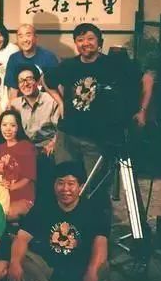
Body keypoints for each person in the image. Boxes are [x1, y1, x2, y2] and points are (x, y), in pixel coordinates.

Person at [44, 23, 140, 207]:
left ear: (99, 42)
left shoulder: (112, 65)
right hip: (67, 135)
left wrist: (140, 111)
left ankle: (97, 223)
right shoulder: (69, 65)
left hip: (97, 139)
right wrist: (60, 102)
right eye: (80, 40)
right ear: (75, 43)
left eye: (90, 38)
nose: (85, 43)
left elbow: (143, 80)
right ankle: (68, 221)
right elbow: (46, 80)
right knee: (65, 184)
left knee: (95, 188)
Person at [8, 162, 110, 281]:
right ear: (54, 185)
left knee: (103, 266)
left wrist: (92, 269)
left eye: (71, 184)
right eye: (60, 183)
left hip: (80, 269)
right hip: (49, 268)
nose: (65, 189)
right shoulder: (43, 206)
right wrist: (15, 263)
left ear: (80, 187)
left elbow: (101, 243)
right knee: (21, 256)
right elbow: (22, 237)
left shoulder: (93, 210)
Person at [11, 63, 60, 206]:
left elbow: (60, 129)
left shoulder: (51, 101)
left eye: (29, 79)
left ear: (37, 81)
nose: (25, 84)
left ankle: (45, 206)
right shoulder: (14, 105)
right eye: (21, 81)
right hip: (25, 150)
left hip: (46, 149)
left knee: (42, 166)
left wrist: (53, 143)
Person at [0, 110, 37, 221]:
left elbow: (28, 177)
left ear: (18, 127)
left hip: (23, 197)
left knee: (2, 214)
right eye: (4, 125)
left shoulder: (26, 147)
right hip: (2, 196)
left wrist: (11, 187)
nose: (8, 129)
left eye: (12, 125)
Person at [5, 24, 59, 100]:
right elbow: (13, 91)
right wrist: (13, 106)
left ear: (35, 38)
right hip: (22, 103)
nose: (25, 40)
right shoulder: (14, 59)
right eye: (20, 36)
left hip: (45, 102)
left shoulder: (48, 57)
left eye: (28, 35)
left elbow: (56, 89)